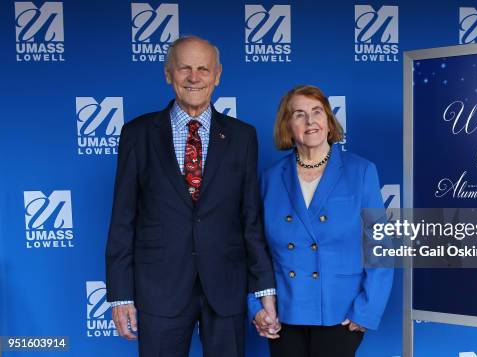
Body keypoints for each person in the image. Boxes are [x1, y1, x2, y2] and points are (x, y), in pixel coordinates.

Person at [105, 36, 277, 357]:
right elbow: (122, 219)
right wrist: (120, 295)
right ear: (169, 73)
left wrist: (264, 288)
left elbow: (250, 219)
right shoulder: (137, 134)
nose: (194, 77)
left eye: (203, 69)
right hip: (159, 287)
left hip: (226, 284)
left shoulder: (243, 136)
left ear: (218, 75)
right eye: (184, 68)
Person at [248, 85, 393, 356]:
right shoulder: (270, 178)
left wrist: (368, 310)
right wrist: (255, 306)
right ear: (287, 125)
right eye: (299, 114)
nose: (310, 121)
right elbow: (255, 248)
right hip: (282, 314)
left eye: (317, 112)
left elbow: (381, 247)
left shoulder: (361, 171)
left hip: (341, 312)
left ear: (328, 120)